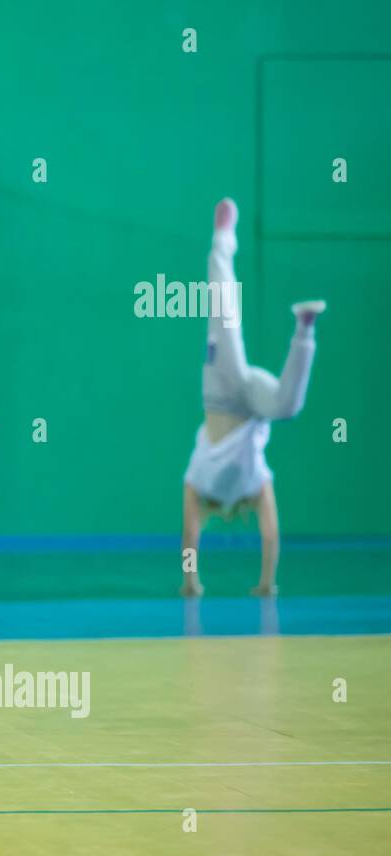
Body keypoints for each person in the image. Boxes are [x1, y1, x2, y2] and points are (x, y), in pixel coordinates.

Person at [181, 197, 325, 597]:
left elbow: (191, 537)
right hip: (251, 406)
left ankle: (223, 240)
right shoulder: (253, 482)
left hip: (222, 395)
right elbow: (270, 536)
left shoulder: (198, 482)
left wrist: (191, 582)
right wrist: (266, 582)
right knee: (286, 406)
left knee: (223, 316)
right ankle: (305, 327)